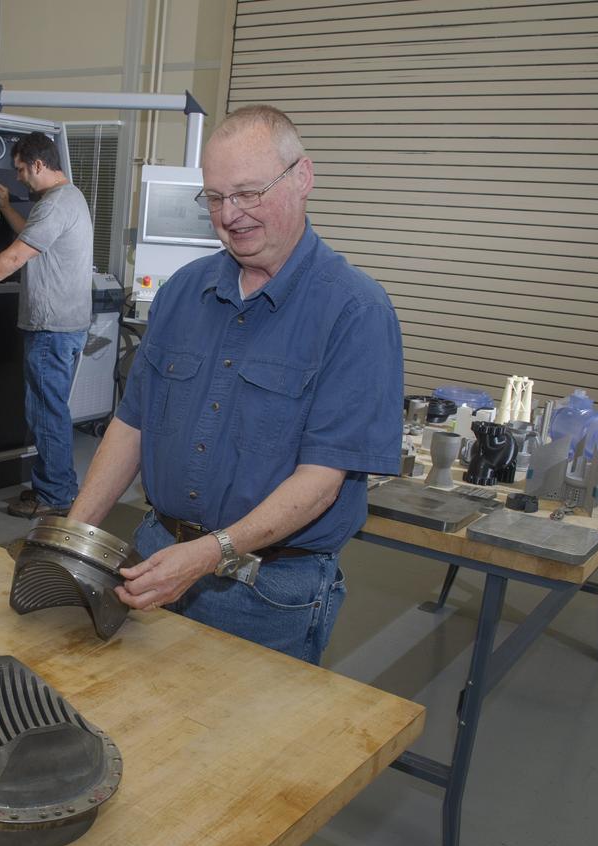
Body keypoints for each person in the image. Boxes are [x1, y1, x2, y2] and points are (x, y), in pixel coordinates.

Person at [69, 105, 403, 664]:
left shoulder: (354, 312)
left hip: (264, 593)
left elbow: (322, 480)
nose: (231, 215)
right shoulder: (182, 293)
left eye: (249, 192)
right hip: (153, 559)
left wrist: (208, 553)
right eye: (216, 197)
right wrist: (76, 537)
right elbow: (132, 425)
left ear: (303, 178)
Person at [0, 133, 93, 518]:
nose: (20, 177)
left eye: (22, 169)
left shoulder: (56, 204)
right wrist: (6, 206)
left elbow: (13, 258)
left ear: (39, 164)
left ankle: (56, 497)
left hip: (51, 329)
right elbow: (32, 235)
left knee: (45, 413)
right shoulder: (67, 199)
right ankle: (54, 489)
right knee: (50, 411)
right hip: (65, 326)